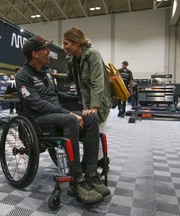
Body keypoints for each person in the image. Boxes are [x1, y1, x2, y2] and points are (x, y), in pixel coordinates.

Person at [15, 35, 110, 204]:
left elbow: (55, 95)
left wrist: (77, 99)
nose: (49, 52)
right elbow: (36, 103)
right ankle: (77, 180)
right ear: (35, 54)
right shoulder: (22, 76)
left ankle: (91, 174)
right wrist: (67, 113)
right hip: (38, 118)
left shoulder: (47, 72)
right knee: (71, 120)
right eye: (45, 49)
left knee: (90, 118)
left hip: (56, 113)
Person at [53, 27, 113, 162]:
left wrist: (95, 107)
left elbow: (98, 83)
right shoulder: (73, 59)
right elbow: (70, 77)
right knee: (91, 134)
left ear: (77, 43)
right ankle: (94, 163)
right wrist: (53, 75)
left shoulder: (92, 55)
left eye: (66, 43)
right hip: (87, 103)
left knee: (98, 133)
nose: (64, 47)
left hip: (99, 103)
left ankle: (101, 164)